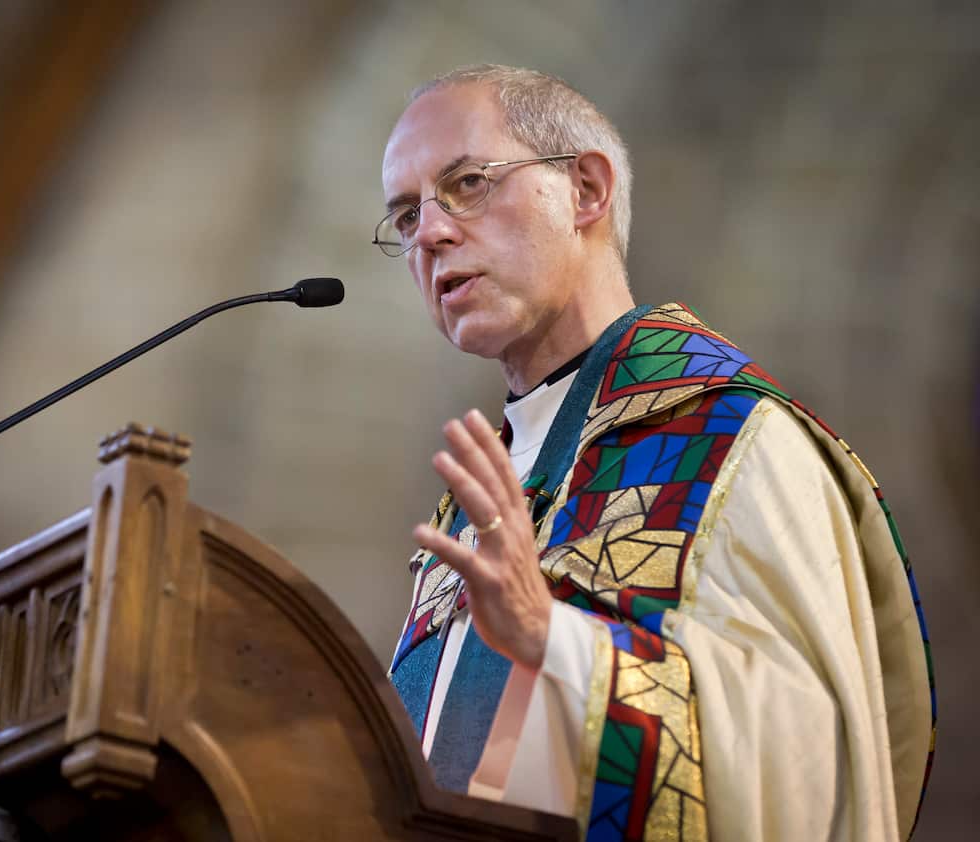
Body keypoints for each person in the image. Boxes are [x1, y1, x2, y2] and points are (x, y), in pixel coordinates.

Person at [378, 65, 934, 842]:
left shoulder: (736, 438)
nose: (430, 234)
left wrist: (557, 643)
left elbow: (813, 767)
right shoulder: (482, 497)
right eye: (405, 218)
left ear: (587, 192)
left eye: (468, 183)